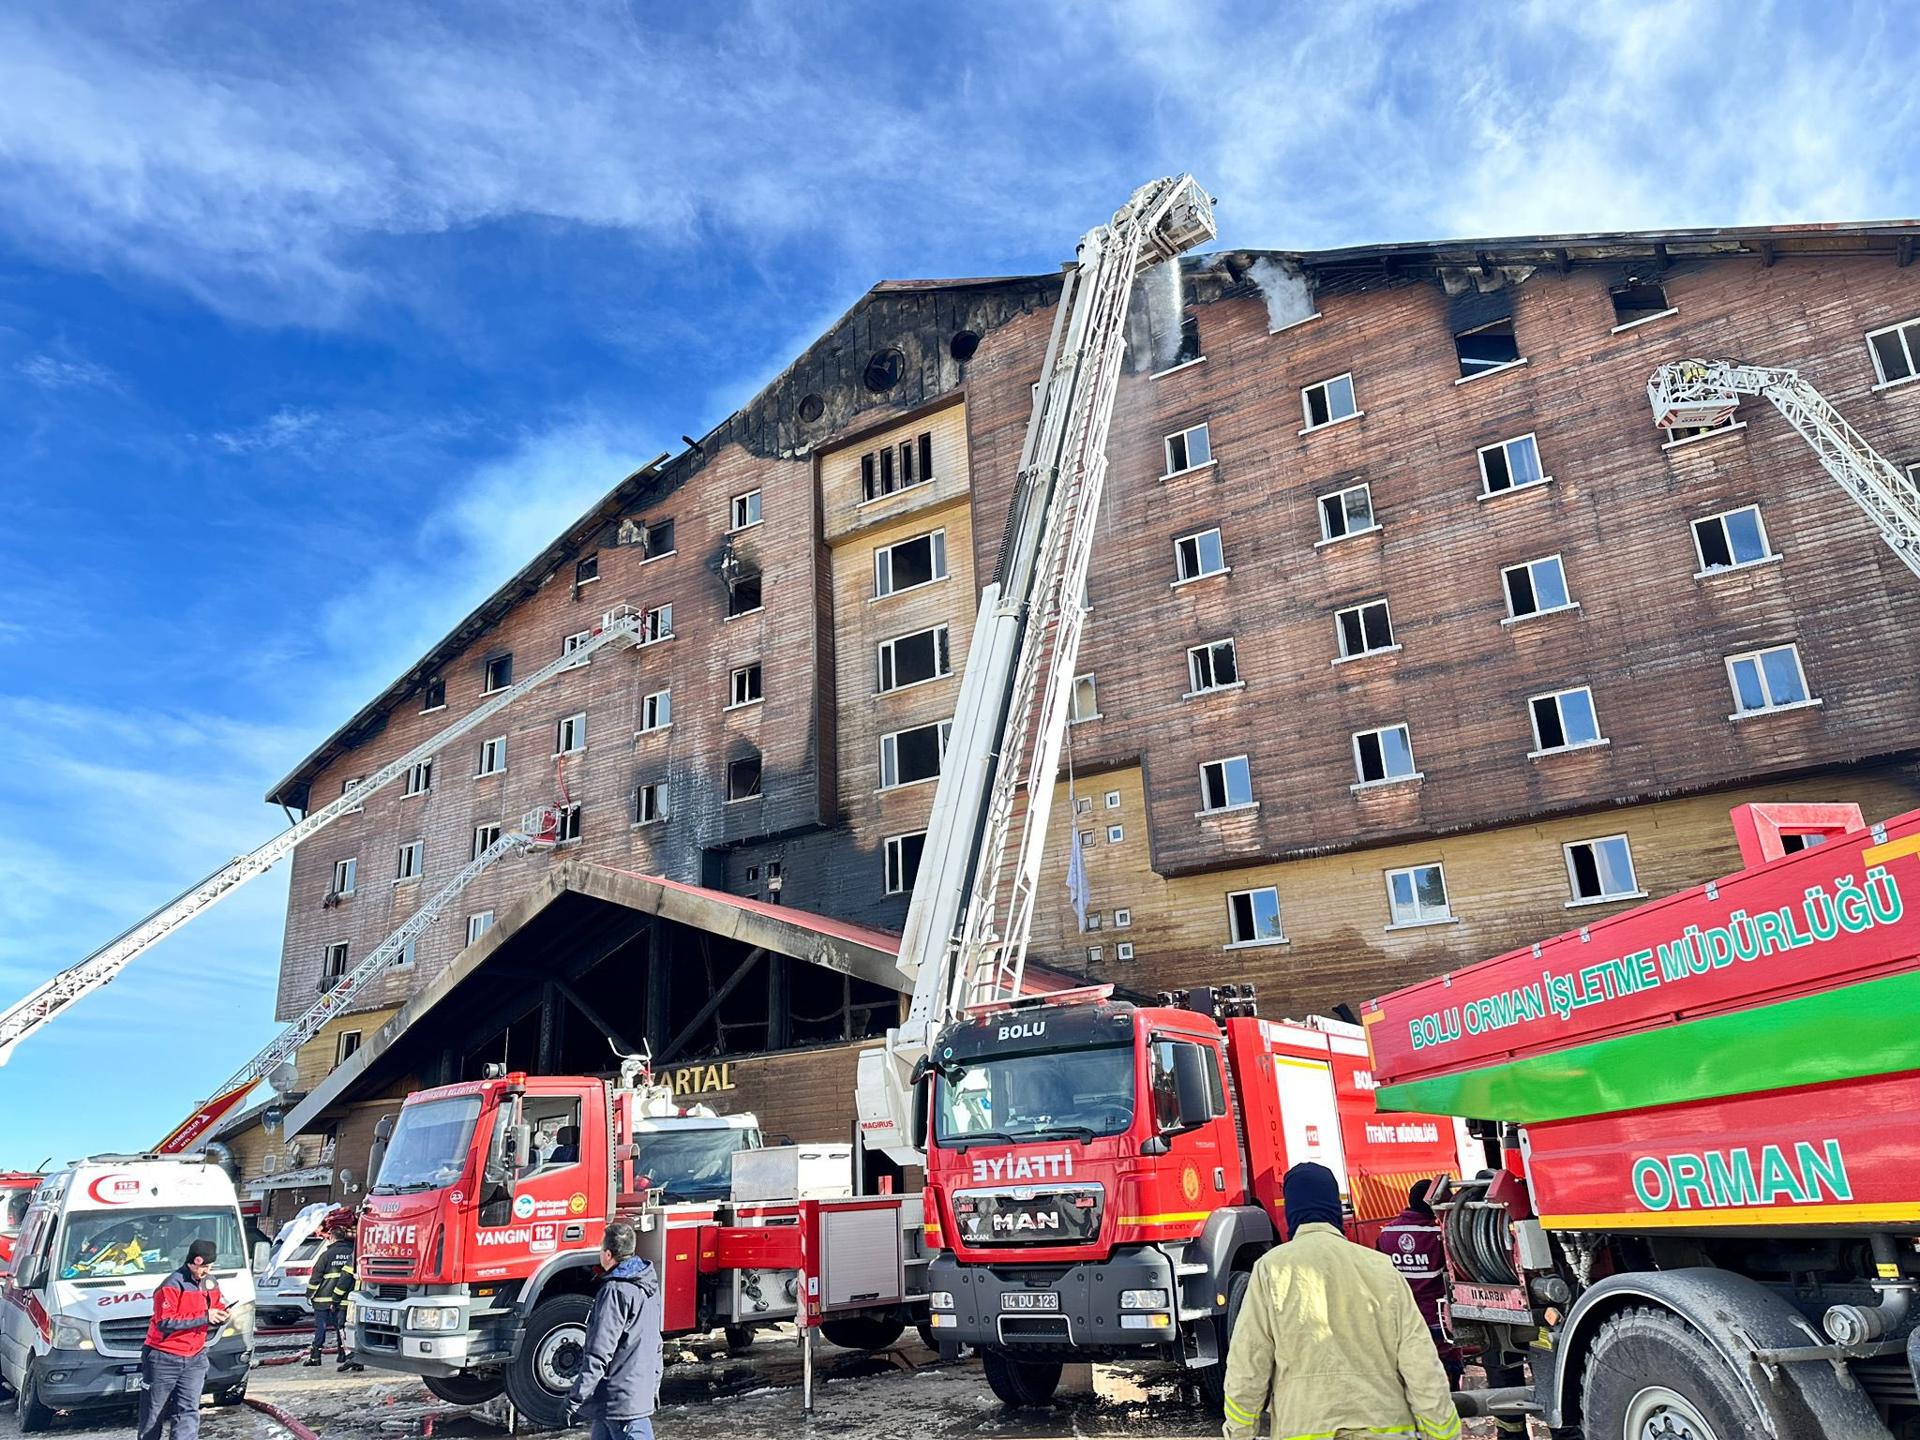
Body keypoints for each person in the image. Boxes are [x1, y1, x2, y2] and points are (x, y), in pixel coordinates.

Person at [1222, 1163, 1460, 1440]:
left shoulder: (1270, 1270)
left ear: (1291, 1212)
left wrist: (1240, 1433)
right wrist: (1443, 1434)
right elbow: (1421, 1366)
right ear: (1335, 1207)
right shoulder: (1381, 1268)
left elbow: (1247, 1367)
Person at [565, 1219, 662, 1440]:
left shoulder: (615, 1291)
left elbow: (599, 1352)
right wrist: (652, 1388)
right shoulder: (648, 1284)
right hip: (625, 1400)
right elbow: (655, 1343)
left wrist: (575, 1398)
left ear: (608, 1255)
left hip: (620, 1404)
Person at [138, 1238, 229, 1440]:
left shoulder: (210, 1283)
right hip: (163, 1357)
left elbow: (218, 1306)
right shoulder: (171, 1285)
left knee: (188, 1410)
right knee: (153, 1414)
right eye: (204, 1266)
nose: (207, 1271)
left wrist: (222, 1316)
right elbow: (165, 1321)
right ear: (194, 1261)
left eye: (210, 1266)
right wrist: (205, 1317)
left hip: (195, 1357)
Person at [1377, 1178, 1463, 1387]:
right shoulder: (1439, 1236)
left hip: (1403, 1322)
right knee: (1445, 1383)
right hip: (1438, 1325)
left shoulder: (1386, 1234)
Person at [305, 1209, 365, 1372]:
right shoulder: (352, 1253)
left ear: (331, 1237)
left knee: (321, 1328)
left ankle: (316, 1356)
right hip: (346, 1299)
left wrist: (309, 1294)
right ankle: (343, 1355)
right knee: (343, 1329)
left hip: (324, 1299)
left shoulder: (326, 1254)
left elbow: (316, 1278)